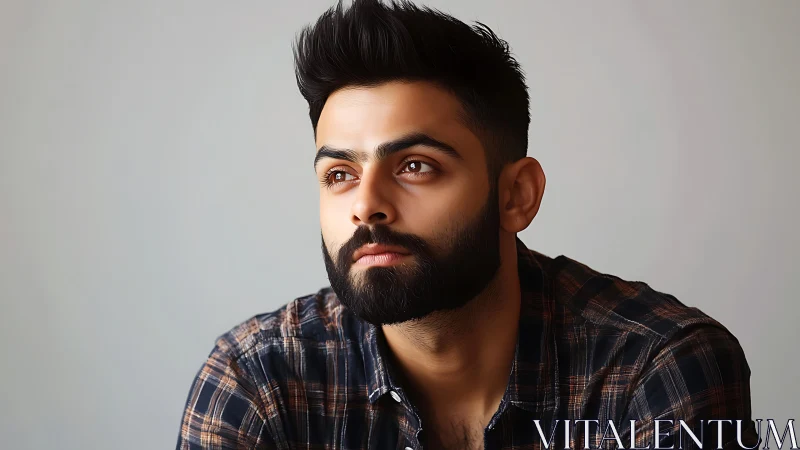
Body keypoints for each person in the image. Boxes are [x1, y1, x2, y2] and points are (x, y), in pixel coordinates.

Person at [177, 1, 757, 448]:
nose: (366, 205)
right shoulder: (260, 382)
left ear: (516, 195)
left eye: (415, 166)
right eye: (339, 174)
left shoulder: (655, 369)